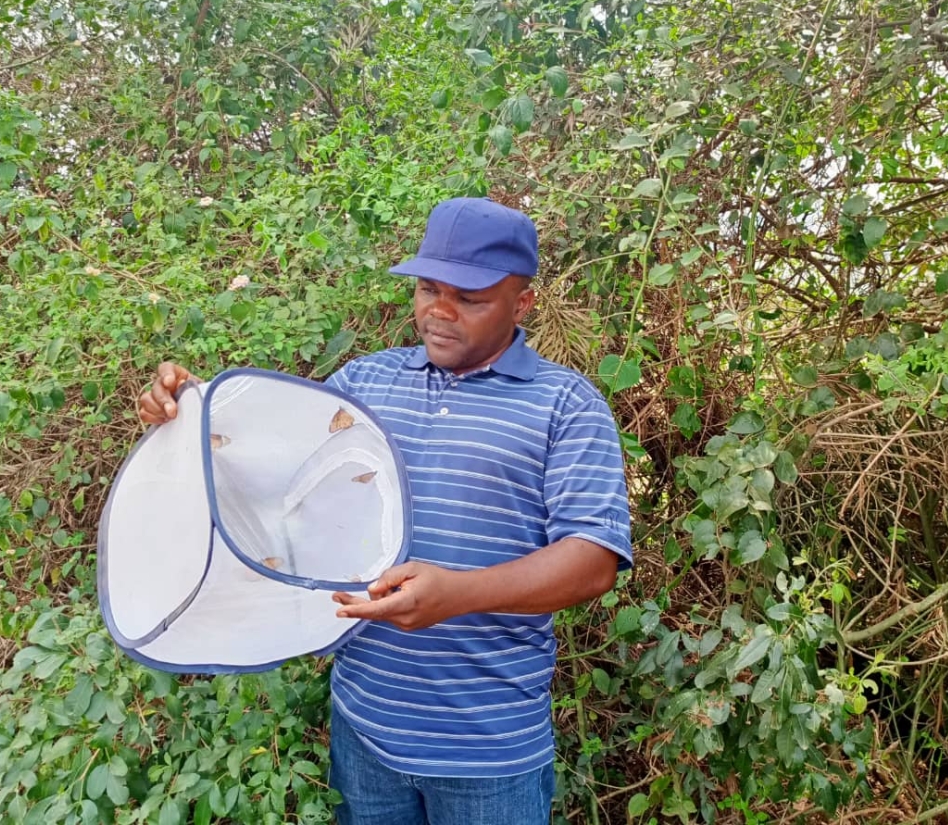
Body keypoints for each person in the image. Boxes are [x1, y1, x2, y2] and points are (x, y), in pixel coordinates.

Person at [138, 197, 633, 825]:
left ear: (523, 302)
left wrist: (458, 593)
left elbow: (591, 562)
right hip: (364, 729)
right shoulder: (362, 386)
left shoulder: (565, 405)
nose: (440, 312)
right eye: (428, 288)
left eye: (471, 298)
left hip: (487, 752)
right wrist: (184, 415)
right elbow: (269, 487)